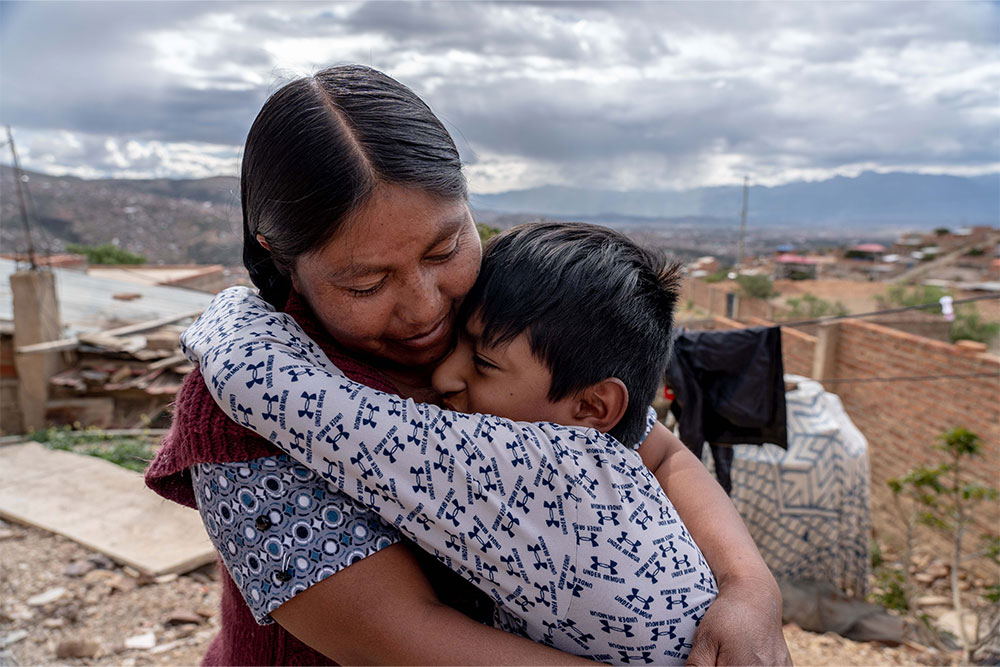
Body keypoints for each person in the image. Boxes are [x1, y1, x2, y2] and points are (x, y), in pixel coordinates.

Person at [145, 64, 791, 665]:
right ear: (280, 255)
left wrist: (749, 588)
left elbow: (656, 450)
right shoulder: (242, 413)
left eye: (446, 245)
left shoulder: (501, 319)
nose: (425, 309)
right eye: (367, 285)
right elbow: (405, 638)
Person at [181, 222, 718, 663]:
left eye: (482, 361)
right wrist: (747, 588)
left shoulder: (543, 467)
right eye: (367, 281)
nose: (445, 374)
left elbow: (271, 388)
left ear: (593, 408)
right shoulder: (593, 443)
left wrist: (231, 307)